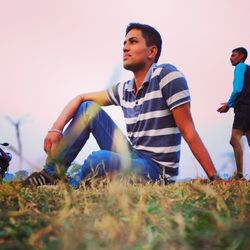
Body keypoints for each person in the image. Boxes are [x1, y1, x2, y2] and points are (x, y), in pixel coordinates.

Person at [26, 23, 219, 188]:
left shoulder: (167, 75)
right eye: (124, 43)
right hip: (134, 156)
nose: (125, 47)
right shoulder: (125, 88)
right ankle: (50, 174)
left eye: (133, 42)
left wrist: (214, 178)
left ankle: (70, 186)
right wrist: (55, 129)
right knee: (87, 110)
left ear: (152, 51)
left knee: (98, 159)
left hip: (156, 170)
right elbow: (82, 98)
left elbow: (189, 131)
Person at [217, 47, 250, 180]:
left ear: (241, 56)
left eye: (233, 55)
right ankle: (240, 174)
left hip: (243, 110)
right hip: (247, 108)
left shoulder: (240, 67)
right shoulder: (248, 69)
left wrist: (228, 105)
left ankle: (240, 175)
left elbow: (237, 89)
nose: (230, 58)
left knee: (234, 140)